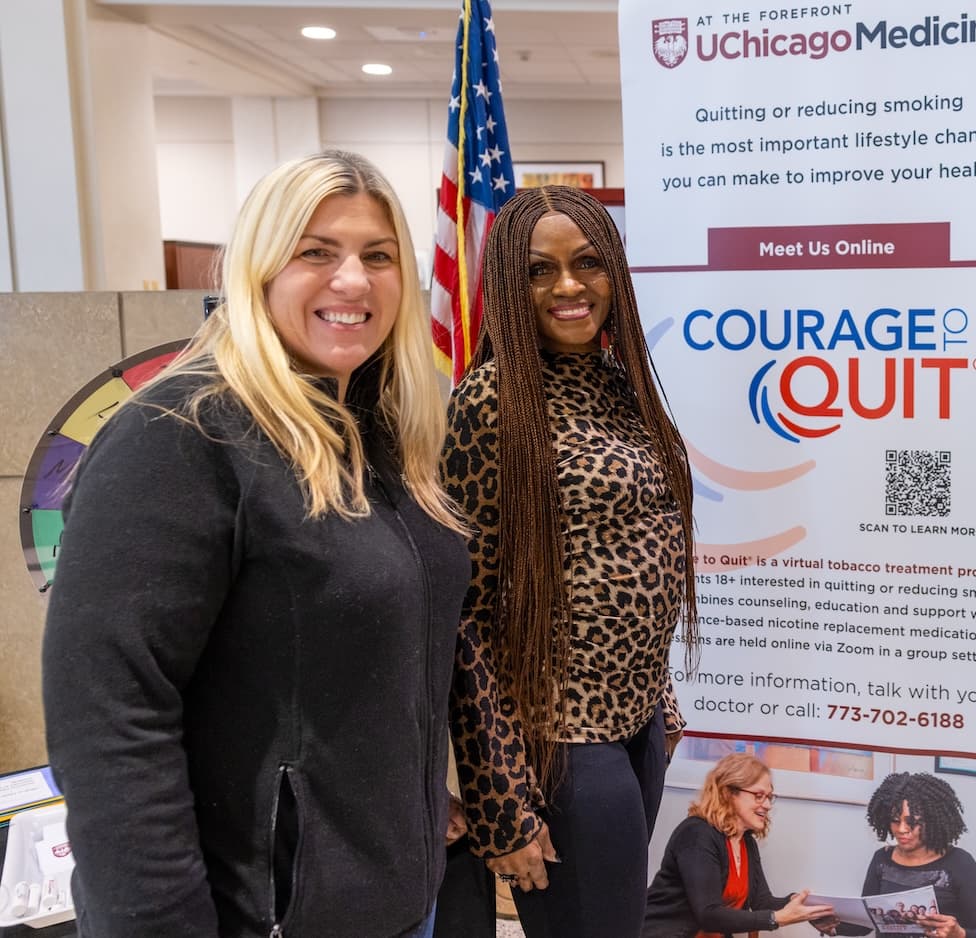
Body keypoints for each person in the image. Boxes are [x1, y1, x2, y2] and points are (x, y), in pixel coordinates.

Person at [40, 150, 469, 937]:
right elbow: (109, 722)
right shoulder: (179, 436)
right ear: (258, 269)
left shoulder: (384, 437)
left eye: (378, 256)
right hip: (259, 916)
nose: (353, 280)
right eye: (315, 252)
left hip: (397, 901)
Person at [444, 185, 700, 936]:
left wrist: (663, 696)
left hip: (637, 717)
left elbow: (631, 545)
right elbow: (465, 617)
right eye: (538, 270)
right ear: (508, 286)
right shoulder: (489, 402)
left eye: (587, 262)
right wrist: (501, 800)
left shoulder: (621, 385)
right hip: (557, 733)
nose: (567, 286)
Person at [642, 754, 833, 937]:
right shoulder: (697, 834)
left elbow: (761, 902)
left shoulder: (746, 842)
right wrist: (776, 918)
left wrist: (804, 907)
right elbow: (708, 915)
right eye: (758, 795)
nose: (767, 805)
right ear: (728, 793)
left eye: (769, 797)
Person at [856, 772, 976, 938]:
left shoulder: (960, 863)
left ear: (933, 820)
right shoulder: (882, 859)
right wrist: (830, 923)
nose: (901, 829)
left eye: (912, 822)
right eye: (895, 820)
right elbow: (864, 924)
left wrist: (960, 934)